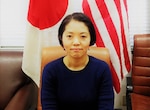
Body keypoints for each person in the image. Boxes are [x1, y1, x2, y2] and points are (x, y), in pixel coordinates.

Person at [41, 12, 114, 110]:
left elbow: (106, 106)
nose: (76, 42)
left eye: (83, 36)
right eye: (69, 36)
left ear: (91, 39)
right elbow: (49, 106)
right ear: (61, 38)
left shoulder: (102, 69)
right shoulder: (50, 70)